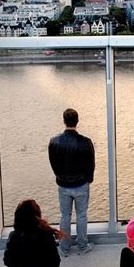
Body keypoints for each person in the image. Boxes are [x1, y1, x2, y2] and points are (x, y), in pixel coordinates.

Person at [48, 107, 95, 256]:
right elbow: (91, 164)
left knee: (65, 216)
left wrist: (59, 176)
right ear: (77, 121)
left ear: (64, 121)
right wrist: (88, 179)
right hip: (81, 184)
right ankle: (82, 246)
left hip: (63, 184)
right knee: (81, 215)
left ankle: (64, 247)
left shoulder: (54, 142)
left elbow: (53, 163)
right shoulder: (86, 142)